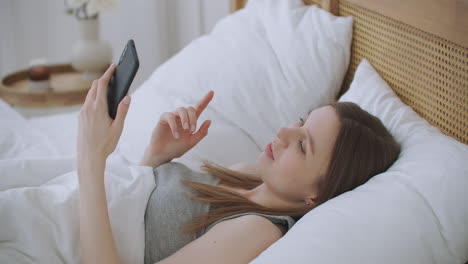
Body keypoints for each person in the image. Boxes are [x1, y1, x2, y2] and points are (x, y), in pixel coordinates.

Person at [77, 64, 401, 264]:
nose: (285, 131)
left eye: (303, 146)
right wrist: (157, 157)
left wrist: (91, 157)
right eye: (301, 121)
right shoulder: (246, 175)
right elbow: (137, 219)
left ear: (316, 196)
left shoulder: (257, 230)